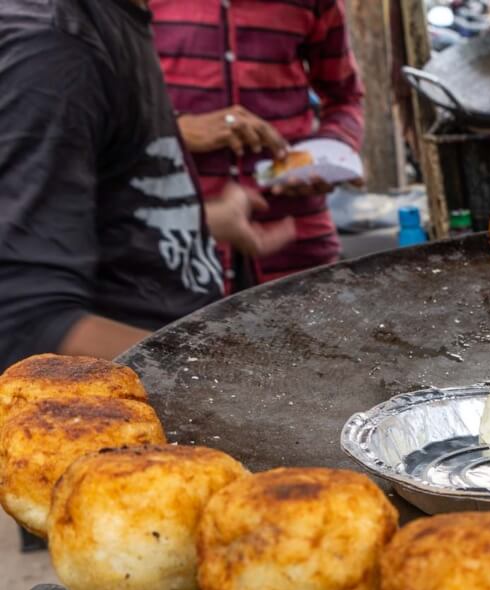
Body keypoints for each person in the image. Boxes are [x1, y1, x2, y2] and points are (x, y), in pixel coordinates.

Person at [0, 0, 297, 369]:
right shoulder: (53, 46)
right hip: (124, 415)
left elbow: (101, 214)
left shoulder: (115, 21)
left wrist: (210, 220)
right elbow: (26, 325)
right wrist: (230, 373)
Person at [150, 0, 365, 287]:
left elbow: (345, 98)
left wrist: (327, 155)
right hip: (179, 248)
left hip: (295, 241)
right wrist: (177, 128)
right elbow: (100, 110)